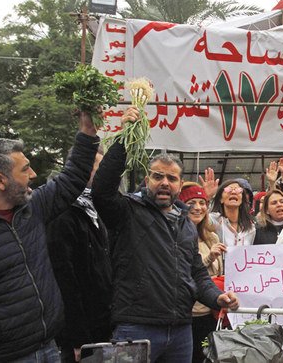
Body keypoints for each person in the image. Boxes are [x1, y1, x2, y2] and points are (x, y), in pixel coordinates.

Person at [91, 107, 238, 362]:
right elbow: (102, 189)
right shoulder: (128, 211)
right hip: (135, 328)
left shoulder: (185, 224)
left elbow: (196, 273)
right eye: (158, 176)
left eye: (172, 178)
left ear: (180, 185)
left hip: (181, 330)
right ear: (148, 179)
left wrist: (217, 297)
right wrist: (124, 140)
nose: (165, 183)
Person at [0, 111, 99, 362]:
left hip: (50, 347)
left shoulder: (33, 209)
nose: (33, 175)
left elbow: (71, 179)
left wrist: (88, 133)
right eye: (25, 169)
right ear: (0, 180)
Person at [46, 147, 113, 363]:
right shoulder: (62, 213)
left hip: (102, 327)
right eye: (98, 168)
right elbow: (65, 282)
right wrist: (78, 339)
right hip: (80, 337)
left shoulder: (95, 210)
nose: (103, 174)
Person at [178, 182, 225, 363]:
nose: (198, 208)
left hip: (211, 313)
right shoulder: (177, 235)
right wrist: (209, 258)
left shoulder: (211, 236)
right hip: (190, 314)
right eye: (191, 203)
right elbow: (187, 272)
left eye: (202, 202)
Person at [211, 179, 256, 248]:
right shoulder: (214, 219)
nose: (234, 192)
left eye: (238, 190)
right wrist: (208, 197)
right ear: (221, 199)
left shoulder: (251, 228)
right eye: (229, 190)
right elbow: (201, 221)